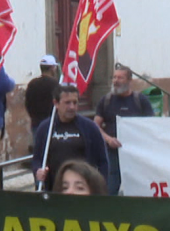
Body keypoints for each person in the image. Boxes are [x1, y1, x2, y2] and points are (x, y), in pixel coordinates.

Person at [36, 85, 111, 191]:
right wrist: (38, 172)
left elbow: (103, 161)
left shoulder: (89, 127)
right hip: (54, 189)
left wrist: (101, 186)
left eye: (75, 102)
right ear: (56, 103)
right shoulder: (45, 128)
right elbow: (37, 159)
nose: (72, 107)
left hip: (83, 189)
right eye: (67, 103)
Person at [95, 66, 154, 195]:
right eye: (114, 77)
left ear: (129, 81)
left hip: (135, 153)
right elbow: (96, 126)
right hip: (112, 153)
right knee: (110, 188)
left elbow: (151, 125)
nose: (116, 81)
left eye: (120, 77)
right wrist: (108, 139)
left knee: (137, 189)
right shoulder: (106, 101)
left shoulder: (141, 101)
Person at [25, 55, 62, 136]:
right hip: (52, 123)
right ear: (52, 68)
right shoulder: (55, 84)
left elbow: (27, 104)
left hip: (36, 123)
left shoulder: (32, 84)